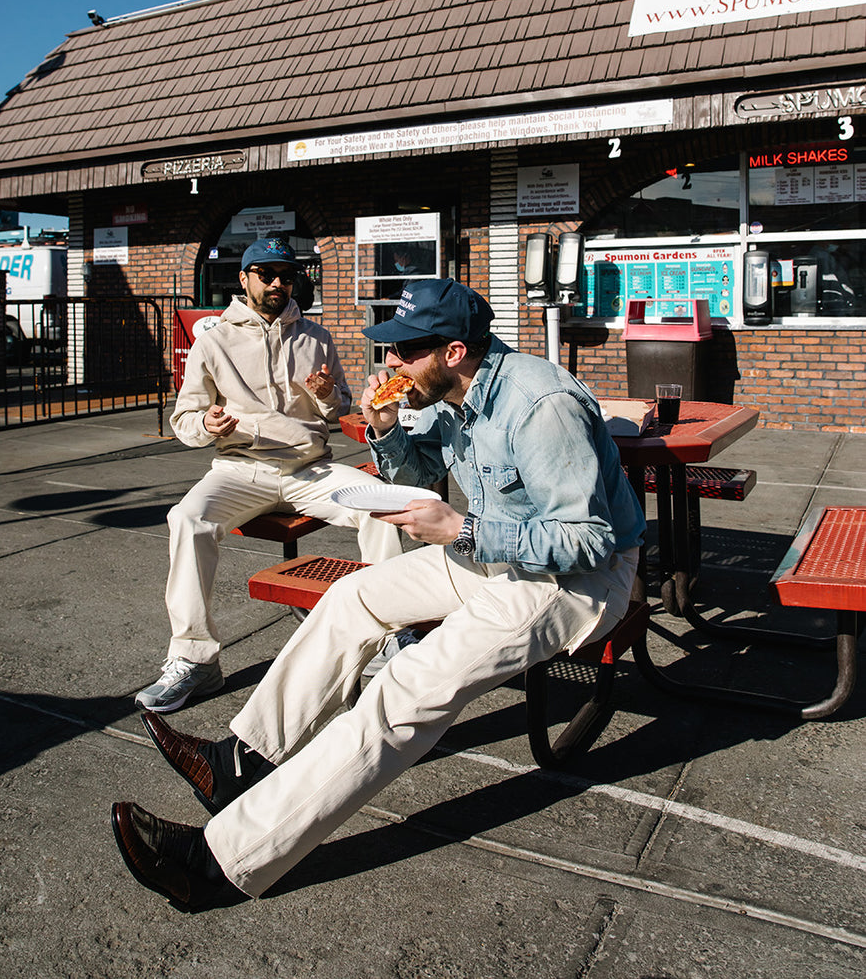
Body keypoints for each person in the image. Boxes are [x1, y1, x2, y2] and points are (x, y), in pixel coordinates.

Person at [113, 277, 646, 910]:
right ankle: (241, 763)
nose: (389, 361)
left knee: (407, 686)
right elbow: (419, 473)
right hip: (490, 553)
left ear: (452, 349)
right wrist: (386, 428)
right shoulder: (457, 389)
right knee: (352, 599)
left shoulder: (540, 404)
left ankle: (220, 863)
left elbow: (589, 538)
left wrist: (466, 527)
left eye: (403, 350)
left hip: (572, 581)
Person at [134, 236, 403, 714]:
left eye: (287, 275)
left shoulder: (316, 336)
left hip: (309, 468)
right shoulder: (213, 340)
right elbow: (185, 419)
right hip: (242, 469)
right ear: (244, 279)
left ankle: (386, 636)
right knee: (187, 519)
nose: (279, 283)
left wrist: (325, 395)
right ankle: (195, 659)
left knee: (382, 504)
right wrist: (206, 424)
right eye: (267, 274)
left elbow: (338, 406)